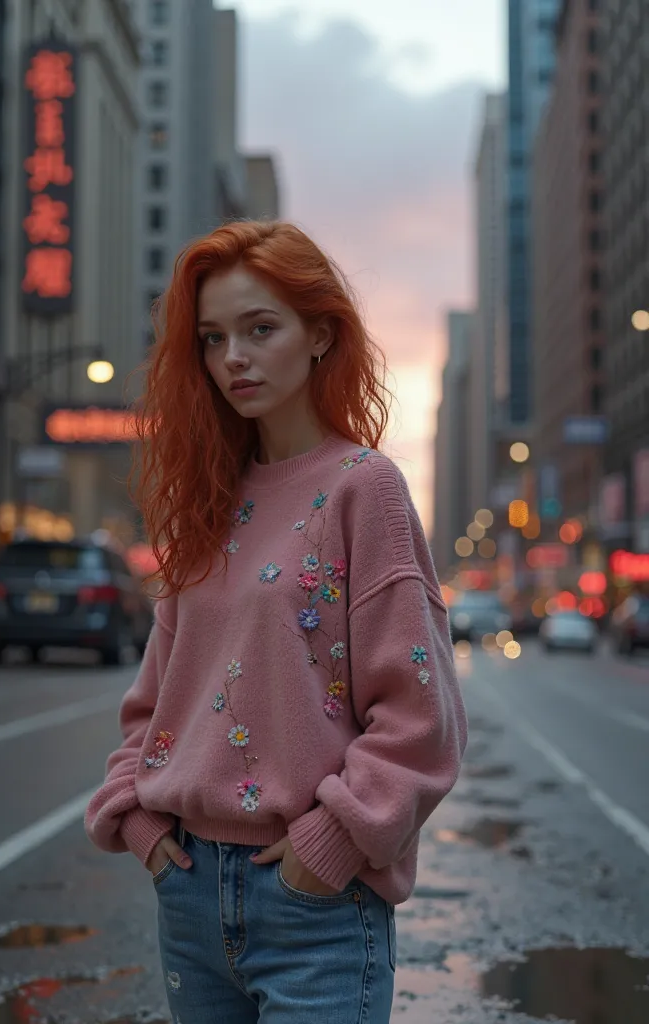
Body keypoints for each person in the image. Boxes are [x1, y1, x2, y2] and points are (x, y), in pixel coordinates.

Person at [85, 220, 468, 1023]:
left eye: (261, 329)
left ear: (321, 333)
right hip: (188, 895)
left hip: (315, 909)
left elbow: (421, 716)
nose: (234, 358)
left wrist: (327, 849)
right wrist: (144, 826)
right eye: (214, 338)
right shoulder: (206, 502)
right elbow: (153, 701)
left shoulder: (367, 489)